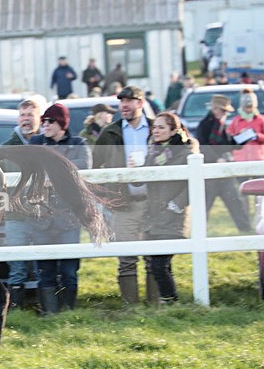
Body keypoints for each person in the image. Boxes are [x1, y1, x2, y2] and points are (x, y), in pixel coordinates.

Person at [93, 85, 157, 305]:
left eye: (129, 101)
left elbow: (184, 145)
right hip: (124, 204)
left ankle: (156, 307)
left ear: (141, 103)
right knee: (126, 257)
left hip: (153, 203)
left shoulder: (156, 128)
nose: (124, 106)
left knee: (154, 257)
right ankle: (131, 307)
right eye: (121, 102)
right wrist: (106, 195)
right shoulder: (110, 132)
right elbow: (95, 166)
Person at [29, 103, 91, 313]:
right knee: (44, 270)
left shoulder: (78, 143)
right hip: (42, 216)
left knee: (69, 271)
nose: (45, 125)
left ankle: (68, 313)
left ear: (62, 123)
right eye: (43, 121)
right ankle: (50, 312)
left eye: (50, 121)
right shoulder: (36, 142)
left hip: (69, 217)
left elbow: (84, 164)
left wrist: (52, 168)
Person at [142, 113, 199, 304]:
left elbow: (194, 185)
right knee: (161, 265)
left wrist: (176, 205)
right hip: (155, 217)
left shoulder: (186, 153)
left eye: (161, 127)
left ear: (173, 131)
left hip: (173, 218)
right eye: (154, 127)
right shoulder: (153, 152)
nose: (156, 131)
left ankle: (170, 299)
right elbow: (141, 180)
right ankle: (170, 303)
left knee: (159, 265)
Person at [0, 95, 45, 308]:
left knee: (42, 264)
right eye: (22, 115)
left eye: (30, 115)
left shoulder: (46, 143)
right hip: (16, 215)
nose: (26, 119)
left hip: (43, 214)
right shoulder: (7, 148)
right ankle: (15, 309)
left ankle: (43, 308)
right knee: (17, 266)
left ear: (39, 118)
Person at [195, 94, 252, 232]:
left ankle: (245, 229)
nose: (226, 114)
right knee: (205, 204)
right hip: (209, 171)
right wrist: (216, 159)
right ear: (215, 109)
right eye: (224, 111)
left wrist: (242, 138)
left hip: (223, 171)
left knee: (235, 201)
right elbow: (202, 146)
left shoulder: (221, 125)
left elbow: (228, 145)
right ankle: (199, 231)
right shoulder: (205, 124)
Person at [226, 89, 264, 164]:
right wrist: (239, 135)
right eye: (247, 107)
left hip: (258, 159)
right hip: (240, 159)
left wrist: (256, 135)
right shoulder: (236, 121)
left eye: (251, 107)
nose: (249, 109)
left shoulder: (261, 120)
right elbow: (229, 140)